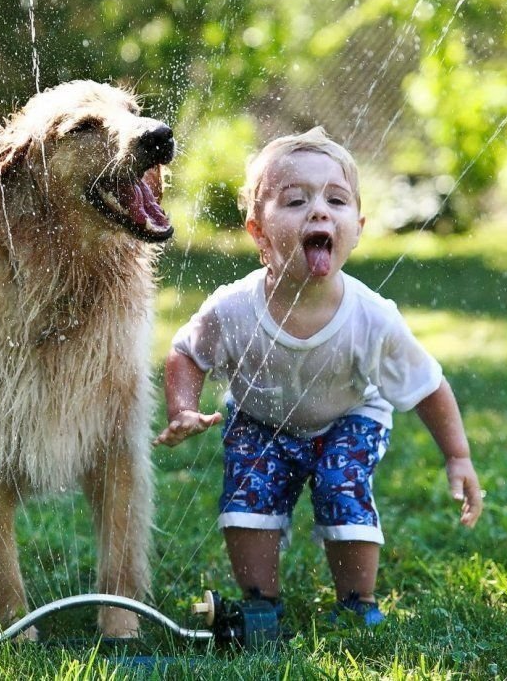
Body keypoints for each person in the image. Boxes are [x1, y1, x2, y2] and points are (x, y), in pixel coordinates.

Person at [154, 127, 482, 626]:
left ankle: (356, 604)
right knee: (247, 497)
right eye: (295, 201)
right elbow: (187, 352)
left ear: (358, 226)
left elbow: (427, 385)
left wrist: (457, 456)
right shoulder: (234, 307)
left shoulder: (373, 318)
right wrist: (182, 408)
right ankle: (262, 602)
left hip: (349, 417)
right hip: (260, 418)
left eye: (336, 199)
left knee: (340, 484)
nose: (319, 210)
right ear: (258, 232)